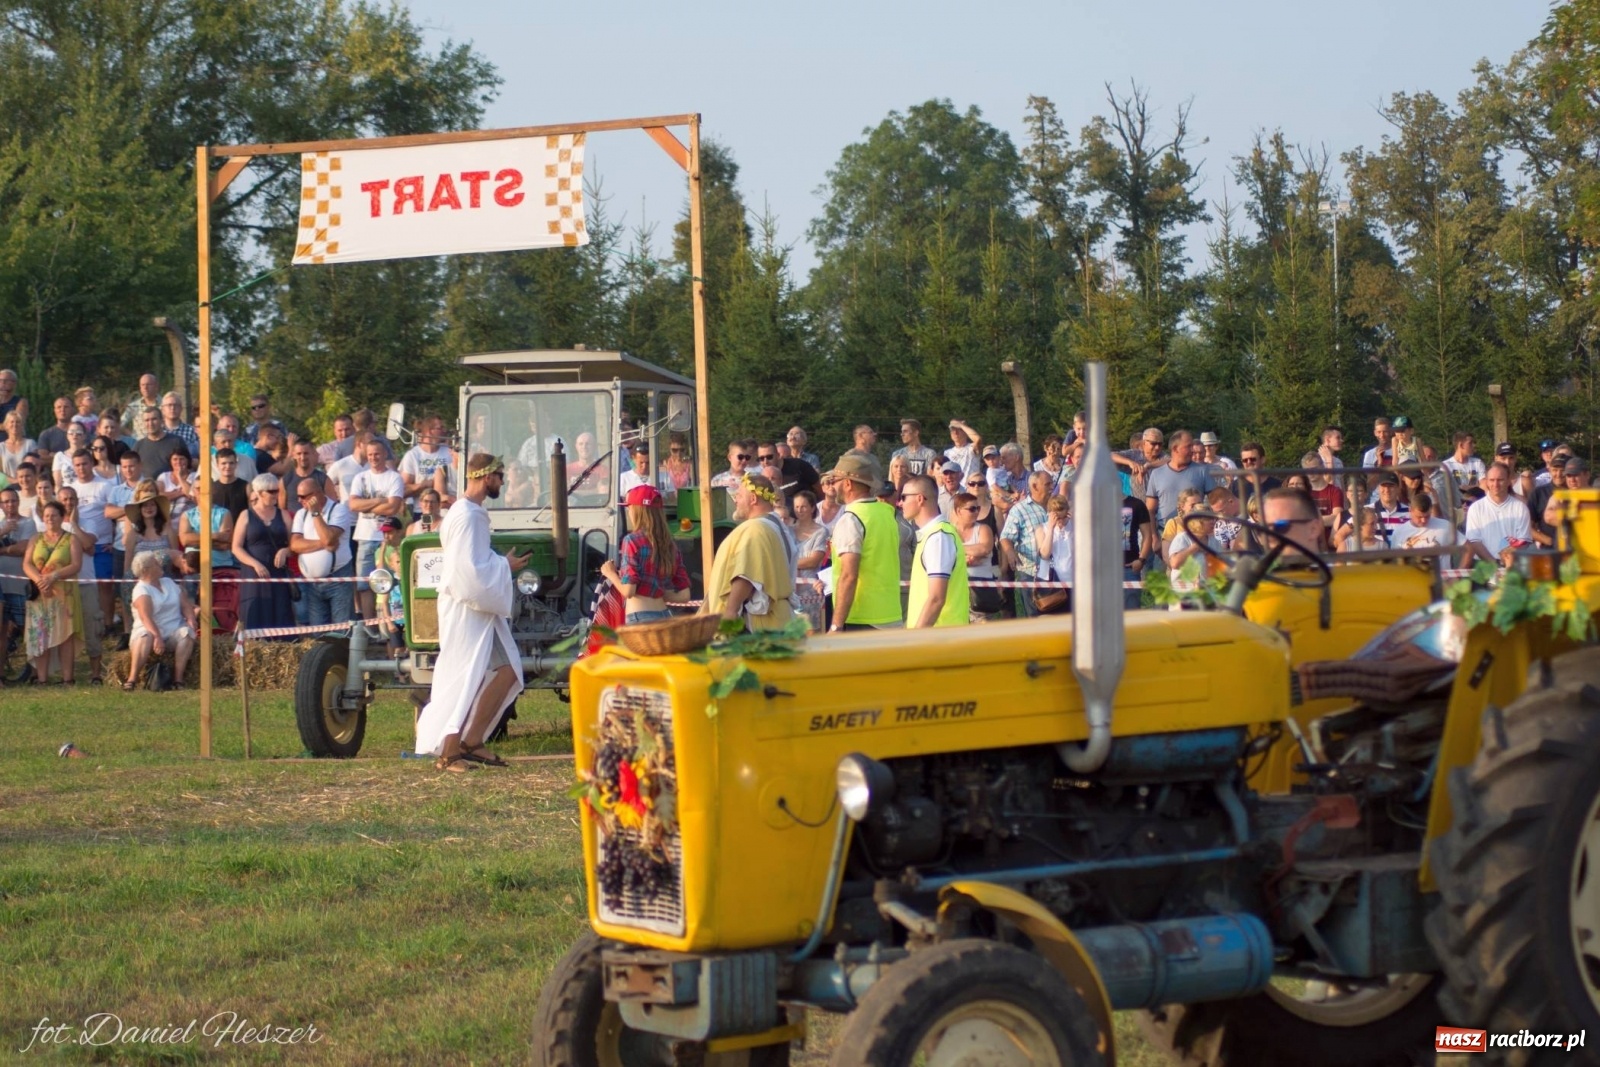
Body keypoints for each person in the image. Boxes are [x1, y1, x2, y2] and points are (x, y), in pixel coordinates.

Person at [415, 454, 530, 772]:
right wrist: (504, 566)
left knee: (509, 671)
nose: (503, 481)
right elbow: (467, 573)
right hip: (467, 609)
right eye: (500, 475)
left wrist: (497, 562)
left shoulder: (465, 512)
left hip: (476, 608)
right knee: (463, 675)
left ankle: (473, 741)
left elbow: (471, 560)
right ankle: (449, 751)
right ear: (486, 476)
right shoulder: (468, 515)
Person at [704, 473, 795, 632]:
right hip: (779, 619)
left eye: (739, 495)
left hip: (758, 624)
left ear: (753, 499)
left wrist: (731, 611)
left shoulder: (755, 529)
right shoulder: (777, 526)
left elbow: (747, 575)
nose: (735, 500)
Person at [825, 454, 903, 632]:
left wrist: (836, 625)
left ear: (847, 483)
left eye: (834, 480)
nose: (832, 486)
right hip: (890, 614)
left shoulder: (851, 519)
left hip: (861, 618)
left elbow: (848, 575)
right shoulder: (886, 512)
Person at [600, 484, 692, 625]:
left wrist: (610, 573)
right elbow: (685, 596)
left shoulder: (631, 540)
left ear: (637, 510)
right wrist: (657, 592)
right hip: (665, 616)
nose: (628, 512)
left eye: (629, 507)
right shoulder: (670, 544)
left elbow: (628, 591)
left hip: (640, 618)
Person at [22, 500, 82, 684]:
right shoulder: (35, 539)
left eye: (53, 515)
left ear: (62, 517)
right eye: (46, 515)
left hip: (63, 595)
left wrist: (54, 576)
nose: (49, 519)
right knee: (40, 635)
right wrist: (40, 580)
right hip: (39, 594)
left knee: (65, 635)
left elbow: (76, 564)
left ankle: (67, 679)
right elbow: (26, 563)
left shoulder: (71, 539)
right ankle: (42, 679)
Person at [122, 549, 198, 690]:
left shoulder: (169, 582)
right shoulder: (141, 590)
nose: (160, 566)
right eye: (156, 564)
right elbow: (146, 617)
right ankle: (132, 679)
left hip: (173, 629)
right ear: (146, 570)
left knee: (186, 634)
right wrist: (157, 636)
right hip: (148, 629)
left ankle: (178, 680)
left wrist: (191, 619)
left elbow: (186, 605)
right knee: (145, 635)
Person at [900, 474, 969, 628]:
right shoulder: (935, 534)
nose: (900, 502)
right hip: (936, 638)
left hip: (940, 641)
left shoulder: (938, 537)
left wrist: (916, 639)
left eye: (904, 497)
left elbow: (936, 598)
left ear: (919, 499)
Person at [348, 439, 406, 618]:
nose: (373, 458)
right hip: (365, 537)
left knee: (389, 584)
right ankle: (369, 627)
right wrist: (380, 501)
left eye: (377, 454)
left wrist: (366, 505)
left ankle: (388, 626)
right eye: (370, 454)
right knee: (365, 586)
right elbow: (353, 505)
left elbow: (393, 507)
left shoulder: (394, 477)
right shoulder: (360, 478)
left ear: (385, 454)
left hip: (387, 538)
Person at [232, 473, 295, 636]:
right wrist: (255, 564)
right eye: (272, 492)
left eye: (277, 491)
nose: (276, 495)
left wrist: (285, 550)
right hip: (254, 573)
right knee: (255, 614)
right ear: (259, 493)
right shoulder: (245, 515)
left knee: (281, 612)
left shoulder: (284, 515)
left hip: (278, 571)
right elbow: (236, 547)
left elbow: (294, 544)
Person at [289, 477, 355, 628]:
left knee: (341, 629)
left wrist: (316, 514)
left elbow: (329, 537)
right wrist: (323, 544)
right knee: (318, 631)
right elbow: (295, 545)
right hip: (313, 584)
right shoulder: (300, 514)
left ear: (317, 494)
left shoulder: (339, 510)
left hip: (338, 578)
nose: (300, 500)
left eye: (304, 496)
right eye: (297, 496)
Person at [1000, 470, 1052, 617]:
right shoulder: (1019, 510)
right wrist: (1010, 552)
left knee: (1058, 617)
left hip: (1057, 572)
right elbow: (1005, 537)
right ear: (1034, 487)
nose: (1051, 486)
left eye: (1051, 483)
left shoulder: (1056, 505)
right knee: (1035, 618)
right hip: (1031, 572)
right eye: (1047, 484)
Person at [1463, 463, 1532, 567]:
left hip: (1512, 566)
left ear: (1508, 481)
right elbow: (1474, 541)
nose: (1495, 484)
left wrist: (1507, 561)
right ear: (1486, 481)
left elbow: (1524, 540)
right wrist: (1494, 564)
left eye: (1500, 480)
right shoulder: (1476, 508)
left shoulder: (1520, 507)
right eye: (1492, 480)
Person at [0, 485, 37, 679]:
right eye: (6, 501)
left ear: (18, 502)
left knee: (26, 628)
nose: (10, 505)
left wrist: (3, 550)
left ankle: (34, 669)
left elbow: (24, 548)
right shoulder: (0, 525)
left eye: (13, 500)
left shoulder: (29, 523)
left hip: (19, 585)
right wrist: (4, 531)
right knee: (2, 630)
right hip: (1, 587)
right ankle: (2, 672)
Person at [952, 490, 1000, 619]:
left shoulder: (983, 529)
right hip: (957, 588)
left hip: (981, 589)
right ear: (958, 511)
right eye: (972, 509)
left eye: (977, 508)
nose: (977, 512)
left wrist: (957, 549)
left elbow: (985, 548)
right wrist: (965, 557)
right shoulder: (949, 531)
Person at [790, 490, 829, 631]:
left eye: (804, 506)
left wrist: (788, 563)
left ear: (813, 508)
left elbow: (813, 561)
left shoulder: (821, 532)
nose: (799, 510)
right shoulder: (788, 530)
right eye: (797, 507)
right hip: (790, 591)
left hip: (811, 593)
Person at [123, 482, 183, 575]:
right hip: (140, 581)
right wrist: (126, 583)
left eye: (152, 504)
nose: (149, 508)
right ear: (140, 509)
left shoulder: (168, 530)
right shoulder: (133, 533)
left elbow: (176, 558)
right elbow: (127, 562)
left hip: (165, 579)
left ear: (157, 507)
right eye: (145, 505)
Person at [399, 415, 454, 505]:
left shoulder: (449, 452)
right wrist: (422, 486)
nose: (444, 431)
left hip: (446, 507)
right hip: (422, 509)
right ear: (430, 431)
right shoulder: (413, 455)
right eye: (440, 428)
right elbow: (402, 490)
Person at [1032, 494, 1073, 616]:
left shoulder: (1076, 527)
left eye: (1062, 516)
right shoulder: (1041, 529)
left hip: (1073, 583)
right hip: (1051, 585)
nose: (1060, 521)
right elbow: (1044, 554)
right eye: (1056, 516)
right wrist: (1050, 528)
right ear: (1049, 514)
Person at [210, 448, 250, 519]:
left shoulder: (246, 486)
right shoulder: (211, 488)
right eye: (223, 463)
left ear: (236, 464)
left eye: (231, 463)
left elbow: (252, 511)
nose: (228, 466)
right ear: (217, 465)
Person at [160, 393, 199, 459]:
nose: (172, 408)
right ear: (163, 410)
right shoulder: (158, 431)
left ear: (181, 409)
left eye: (176, 405)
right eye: (169, 405)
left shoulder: (191, 431)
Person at [1, 410, 35, 479]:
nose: (15, 424)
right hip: (7, 486)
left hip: (27, 484)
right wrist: (13, 481)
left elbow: (35, 467)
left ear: (22, 425)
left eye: (18, 422)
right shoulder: (1, 447)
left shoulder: (30, 444)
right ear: (6, 425)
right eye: (12, 422)